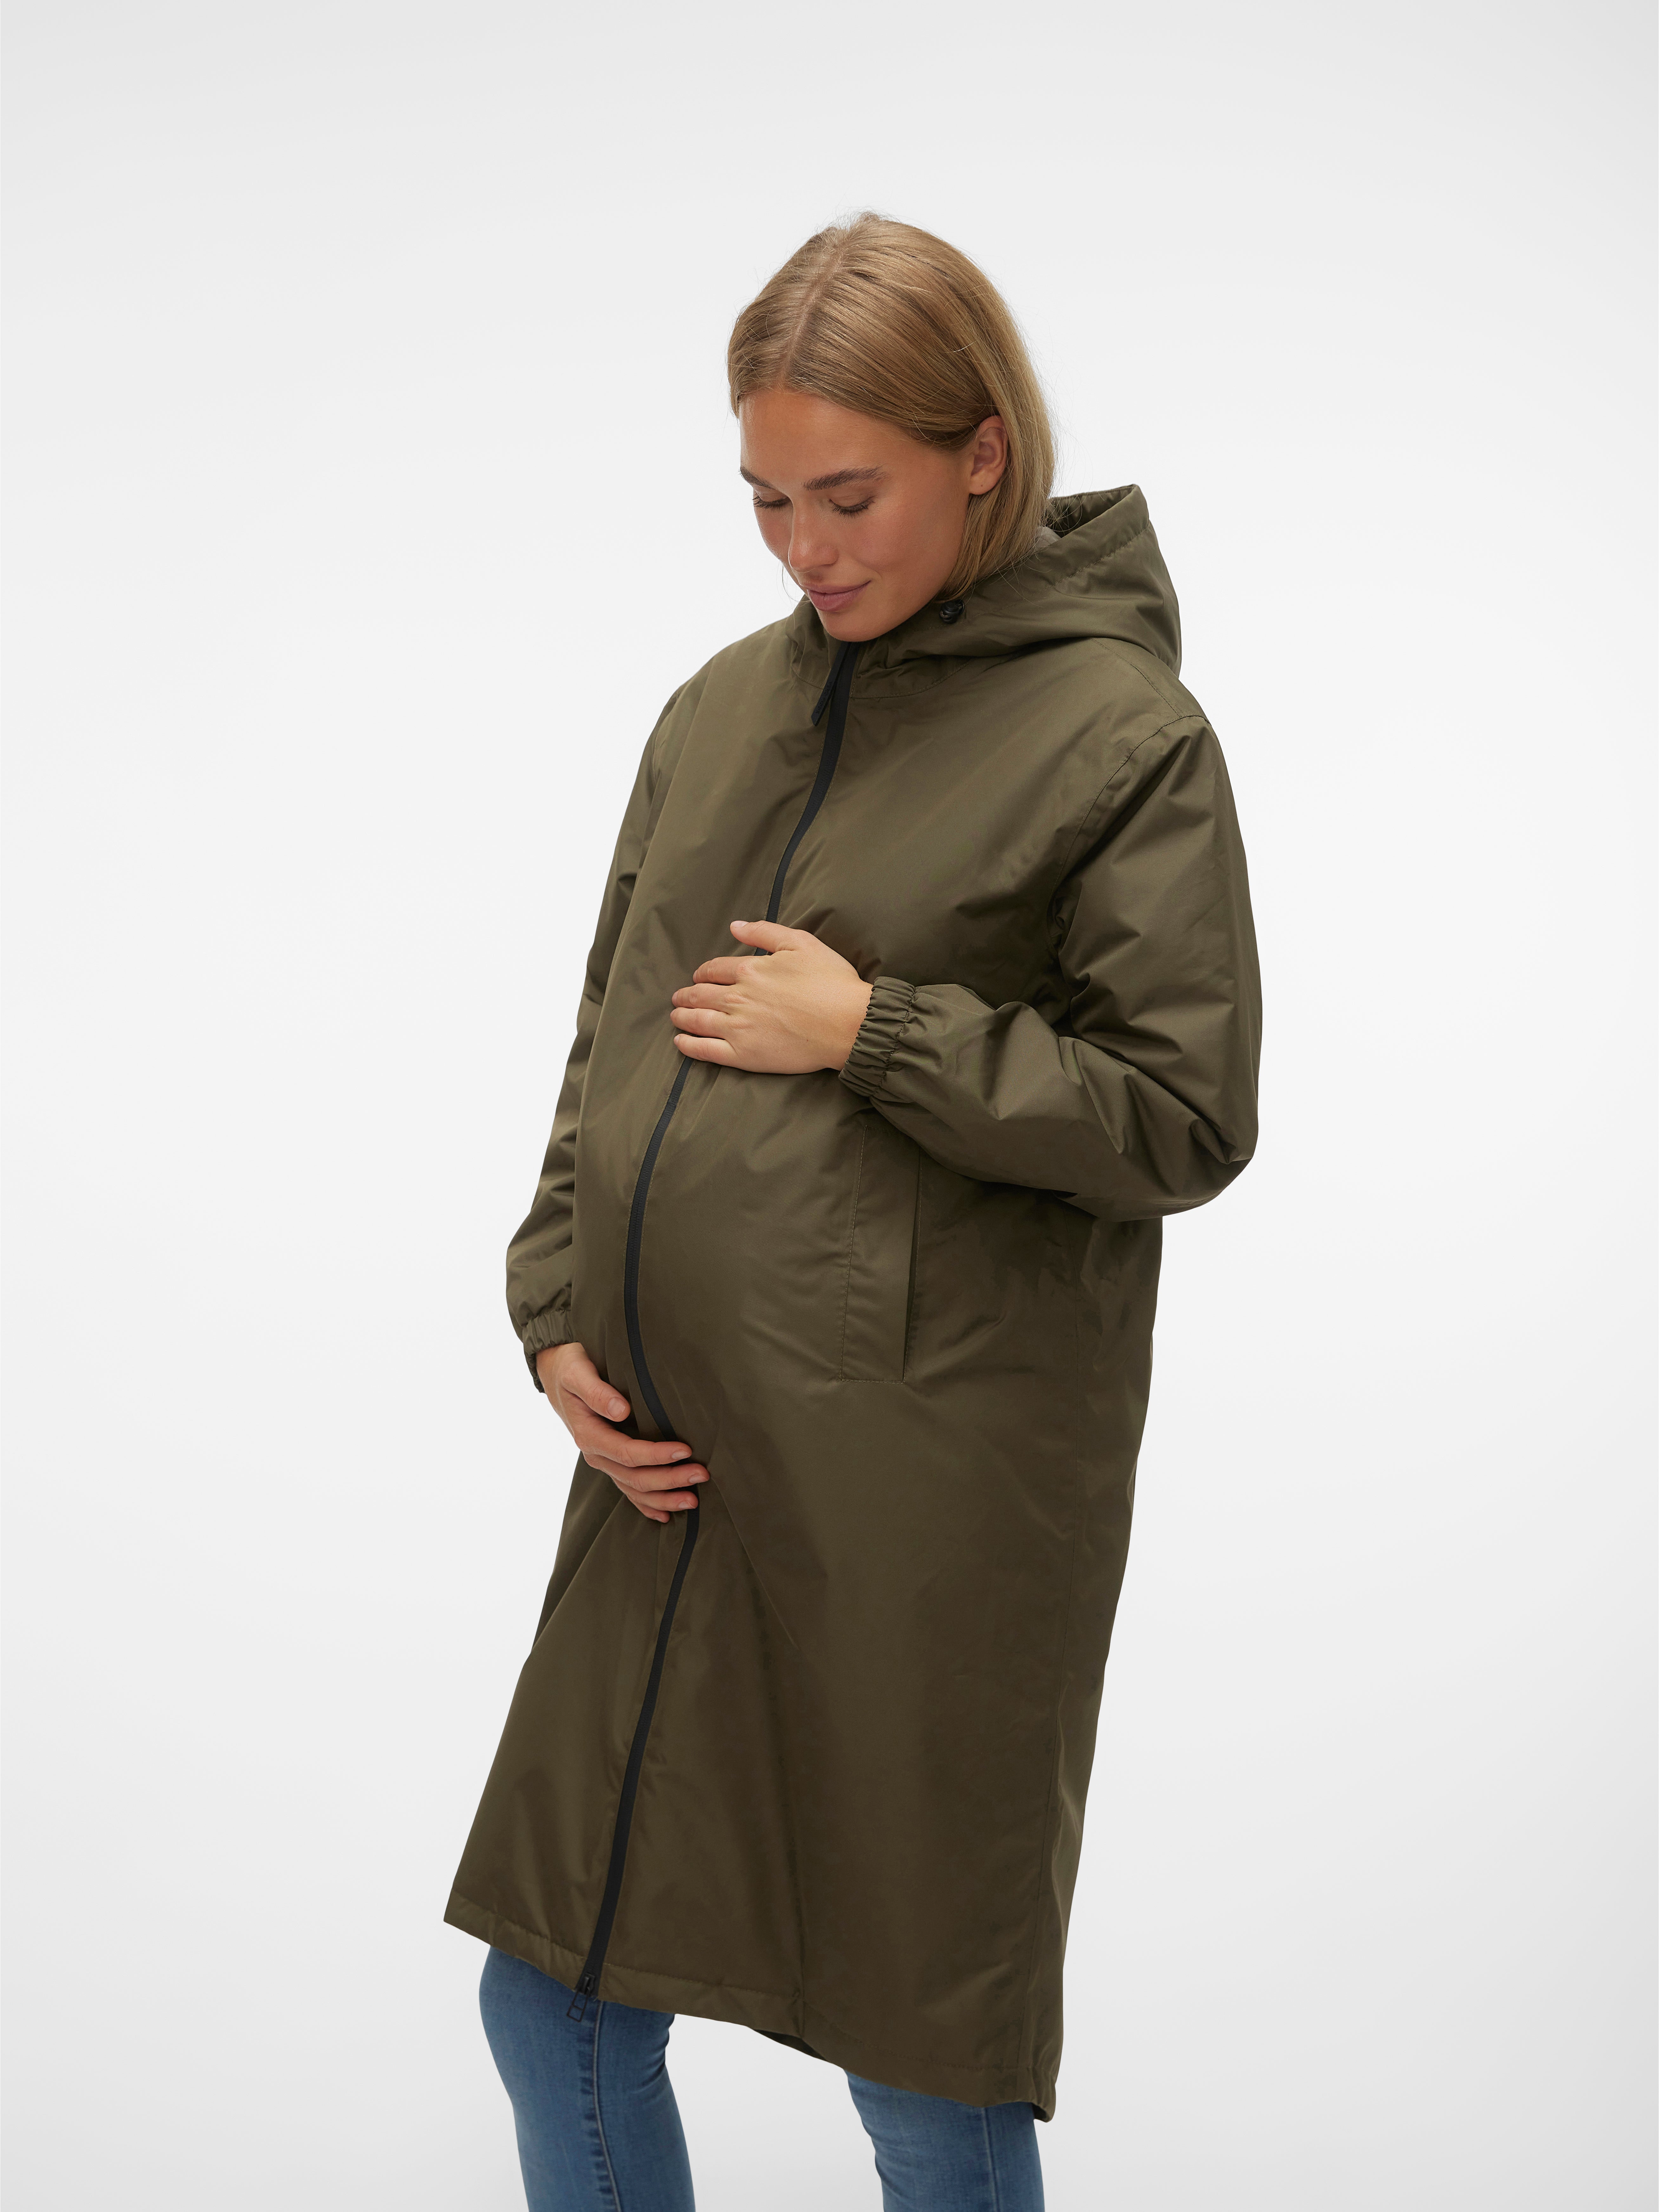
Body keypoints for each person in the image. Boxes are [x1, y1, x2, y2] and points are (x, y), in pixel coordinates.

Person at [446, 213, 1261, 2211]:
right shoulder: (721, 709)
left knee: (923, 2066)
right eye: (765, 497)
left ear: (983, 454)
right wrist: (553, 1307)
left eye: (848, 494)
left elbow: (1182, 1113)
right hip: (673, 1484)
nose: (803, 546)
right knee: (554, 1999)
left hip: (925, 1496)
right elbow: (611, 1035)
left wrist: (875, 1030)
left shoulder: (1122, 737)